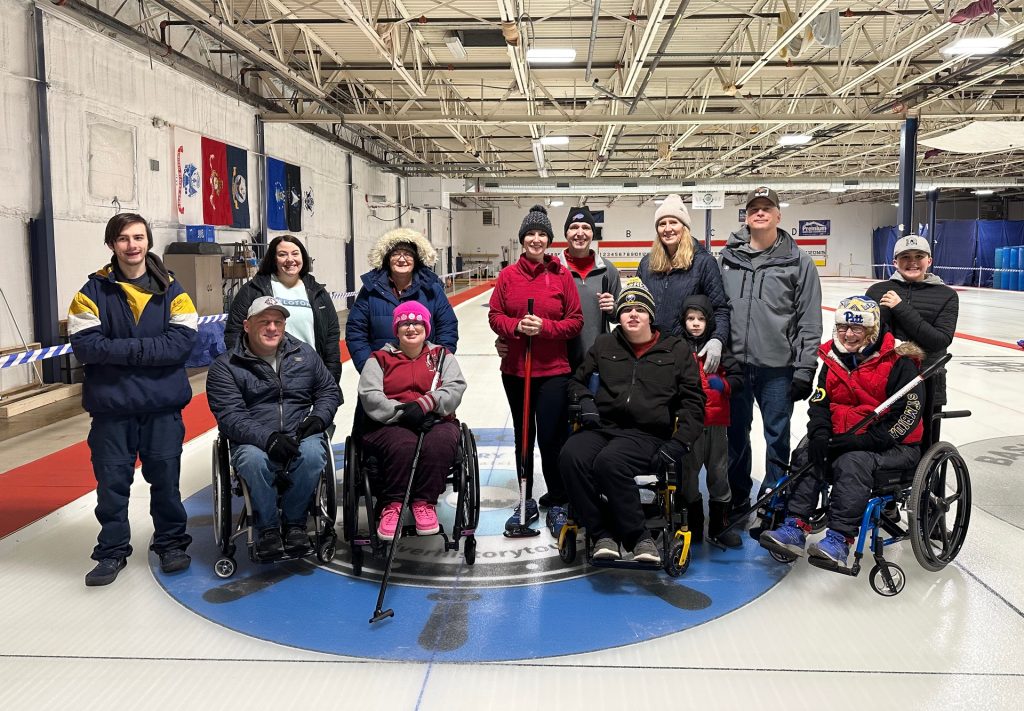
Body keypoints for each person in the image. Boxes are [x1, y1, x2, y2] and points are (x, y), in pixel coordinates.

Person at [68, 213, 198, 586]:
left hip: (162, 409)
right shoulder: (90, 293)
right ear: (112, 244)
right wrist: (148, 351)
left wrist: (120, 350)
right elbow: (86, 347)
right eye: (123, 238)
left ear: (148, 241)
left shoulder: (174, 290)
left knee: (167, 484)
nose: (132, 245)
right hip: (112, 411)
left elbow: (183, 343)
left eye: (138, 237)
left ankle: (171, 544)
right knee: (111, 487)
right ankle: (111, 552)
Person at [760, 296, 925, 568]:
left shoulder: (899, 362)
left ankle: (839, 539)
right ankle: (794, 527)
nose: (848, 334)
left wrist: (863, 441)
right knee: (806, 454)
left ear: (872, 330)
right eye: (842, 327)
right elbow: (820, 402)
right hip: (845, 438)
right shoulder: (833, 359)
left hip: (893, 447)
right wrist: (821, 433)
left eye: (856, 328)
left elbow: (907, 415)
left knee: (852, 462)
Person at [559, 280, 705, 564]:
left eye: (640, 309)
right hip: (604, 427)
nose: (633, 315)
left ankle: (639, 538)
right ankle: (603, 533)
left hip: (648, 434)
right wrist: (586, 401)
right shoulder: (605, 344)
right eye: (626, 310)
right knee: (571, 455)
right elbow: (576, 382)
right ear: (619, 316)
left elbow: (693, 402)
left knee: (609, 462)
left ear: (651, 315)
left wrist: (680, 443)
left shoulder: (675, 350)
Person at [206, 297, 342, 559]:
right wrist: (268, 439)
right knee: (252, 460)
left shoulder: (304, 354)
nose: (272, 328)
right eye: (264, 322)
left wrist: (319, 418)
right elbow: (231, 416)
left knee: (314, 454)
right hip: (254, 439)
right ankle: (267, 528)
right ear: (247, 325)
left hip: (299, 432)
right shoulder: (226, 366)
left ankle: (295, 524)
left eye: (277, 322)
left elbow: (328, 390)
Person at [719, 186, 822, 523]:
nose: (759, 213)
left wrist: (805, 369)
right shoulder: (728, 257)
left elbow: (809, 319)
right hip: (735, 364)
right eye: (753, 208)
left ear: (779, 215)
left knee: (776, 437)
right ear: (746, 216)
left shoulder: (799, 262)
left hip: (778, 368)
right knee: (735, 436)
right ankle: (737, 496)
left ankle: (775, 500)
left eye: (767, 208)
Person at [489, 204, 584, 532]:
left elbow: (575, 321)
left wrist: (544, 328)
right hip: (516, 369)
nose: (536, 239)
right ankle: (525, 496)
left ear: (549, 240)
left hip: (553, 371)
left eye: (542, 234)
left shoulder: (561, 276)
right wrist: (516, 327)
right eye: (530, 233)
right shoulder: (507, 276)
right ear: (522, 239)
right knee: (523, 435)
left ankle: (558, 499)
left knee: (552, 437)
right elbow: (494, 316)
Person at [357, 301, 468, 541]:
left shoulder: (441, 356)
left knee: (440, 441)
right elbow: (370, 395)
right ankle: (393, 504)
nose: (411, 328)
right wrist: (404, 414)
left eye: (417, 322)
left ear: (426, 327)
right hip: (390, 423)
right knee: (403, 443)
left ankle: (424, 503)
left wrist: (427, 405)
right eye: (405, 323)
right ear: (396, 329)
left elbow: (455, 387)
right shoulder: (379, 359)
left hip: (435, 420)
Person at [224, 234, 341, 383]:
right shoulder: (253, 290)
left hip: (310, 373)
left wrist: (331, 379)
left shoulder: (317, 292)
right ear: (273, 259)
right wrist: (246, 373)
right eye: (282, 254)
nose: (290, 259)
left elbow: (331, 337)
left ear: (303, 257)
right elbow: (234, 332)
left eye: (295, 253)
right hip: (267, 376)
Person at [678, 295, 745, 548]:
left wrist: (724, 385)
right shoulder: (678, 348)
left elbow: (738, 378)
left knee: (718, 473)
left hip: (716, 423)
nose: (695, 324)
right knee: (688, 474)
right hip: (690, 424)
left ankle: (719, 525)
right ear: (683, 320)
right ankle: (693, 525)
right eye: (691, 318)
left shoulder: (718, 349)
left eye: (701, 319)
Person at [637, 194, 730, 372]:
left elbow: (720, 309)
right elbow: (639, 305)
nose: (667, 228)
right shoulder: (647, 263)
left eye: (674, 222)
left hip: (686, 355)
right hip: (651, 352)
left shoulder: (703, 263)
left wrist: (717, 339)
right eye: (662, 224)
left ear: (684, 227)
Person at [346, 228, 458, 373]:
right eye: (396, 254)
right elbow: (356, 331)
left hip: (425, 373)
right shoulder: (371, 290)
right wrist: (370, 369)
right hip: (382, 374)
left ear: (416, 259)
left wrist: (436, 365)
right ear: (387, 259)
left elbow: (447, 327)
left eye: (407, 254)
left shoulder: (432, 289)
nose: (402, 259)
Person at [866, 234, 958, 408]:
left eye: (919, 256)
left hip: (927, 379)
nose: (912, 261)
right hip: (882, 379)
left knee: (926, 434)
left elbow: (939, 341)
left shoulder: (946, 295)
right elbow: (867, 338)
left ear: (929, 260)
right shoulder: (877, 291)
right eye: (905, 257)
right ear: (895, 262)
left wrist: (900, 308)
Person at [556, 205, 622, 367]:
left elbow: (620, 314)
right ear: (566, 233)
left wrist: (613, 308)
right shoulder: (553, 269)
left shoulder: (608, 270)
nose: (580, 233)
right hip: (559, 360)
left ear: (593, 233)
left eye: (586, 227)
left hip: (599, 358)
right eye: (574, 227)